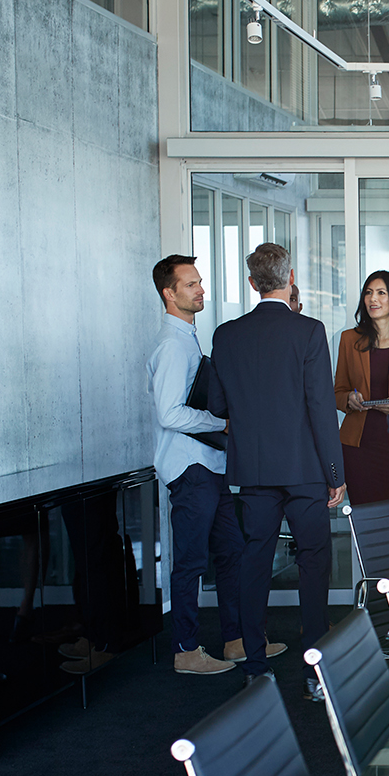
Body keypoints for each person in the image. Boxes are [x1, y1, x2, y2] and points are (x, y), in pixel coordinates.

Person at [208, 243, 345, 701]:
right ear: (290, 278)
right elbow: (321, 409)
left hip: (253, 469)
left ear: (252, 283)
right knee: (313, 564)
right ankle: (314, 673)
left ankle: (255, 667)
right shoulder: (309, 331)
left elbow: (218, 405)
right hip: (305, 469)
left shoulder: (226, 335)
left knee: (255, 562)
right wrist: (335, 473)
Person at [144, 253, 255, 677]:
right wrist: (220, 422)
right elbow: (169, 413)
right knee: (191, 561)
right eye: (191, 285)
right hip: (190, 468)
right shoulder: (173, 345)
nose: (201, 290)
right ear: (168, 294)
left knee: (231, 551)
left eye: (200, 282)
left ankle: (235, 641)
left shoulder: (186, 338)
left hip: (207, 464)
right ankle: (186, 650)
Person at [333, 271, 389, 505]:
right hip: (359, 446)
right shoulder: (349, 339)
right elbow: (338, 391)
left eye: (381, 293)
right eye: (369, 293)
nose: (373, 299)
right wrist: (349, 399)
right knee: (365, 512)